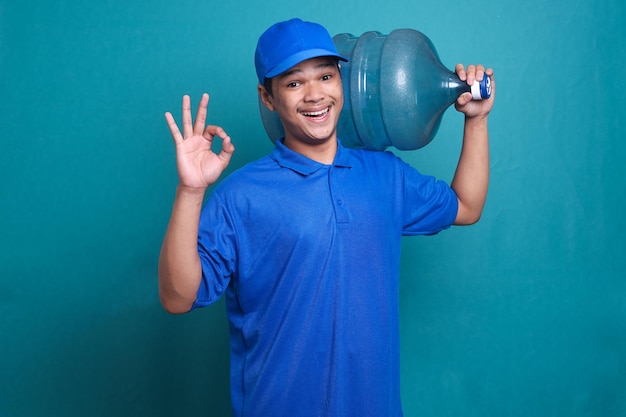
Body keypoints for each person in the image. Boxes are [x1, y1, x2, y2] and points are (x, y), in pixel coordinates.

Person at [159, 17, 495, 417]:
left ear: (342, 82)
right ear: (267, 97)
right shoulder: (242, 195)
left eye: (326, 76)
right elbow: (177, 297)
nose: (315, 95)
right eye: (294, 82)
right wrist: (191, 191)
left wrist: (476, 120)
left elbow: (466, 206)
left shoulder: (385, 175)